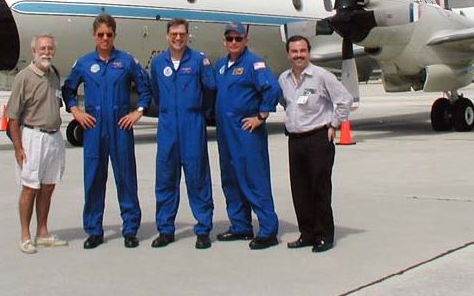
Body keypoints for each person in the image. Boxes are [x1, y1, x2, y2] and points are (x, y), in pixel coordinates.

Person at [62, 13, 152, 250]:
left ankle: (130, 229)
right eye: (100, 34)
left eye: (108, 34)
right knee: (93, 179)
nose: (104, 38)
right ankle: (94, 230)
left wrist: (138, 112)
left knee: (126, 179)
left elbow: (145, 89)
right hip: (94, 129)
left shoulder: (127, 61)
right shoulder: (83, 63)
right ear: (94, 35)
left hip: (120, 128)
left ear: (114, 35)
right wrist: (76, 112)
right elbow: (68, 89)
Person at [278, 35, 352, 253]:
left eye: (302, 51)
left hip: (318, 138)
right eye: (294, 51)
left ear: (308, 52)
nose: (298, 55)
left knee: (319, 189)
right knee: (299, 189)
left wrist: (334, 125)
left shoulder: (321, 76)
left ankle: (324, 235)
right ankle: (307, 233)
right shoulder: (283, 79)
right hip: (295, 140)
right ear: (288, 54)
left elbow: (344, 99)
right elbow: (286, 102)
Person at [149, 18, 216, 249]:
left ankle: (203, 229)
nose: (178, 38)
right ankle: (166, 229)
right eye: (174, 34)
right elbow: (156, 93)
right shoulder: (158, 63)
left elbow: (209, 89)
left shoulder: (199, 60)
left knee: (198, 177)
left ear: (188, 36)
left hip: (192, 124)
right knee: (166, 177)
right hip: (167, 125)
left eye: (182, 34)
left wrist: (198, 112)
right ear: (167, 36)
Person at [214, 22, 281, 250]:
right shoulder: (222, 66)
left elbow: (271, 89)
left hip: (247, 133)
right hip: (225, 134)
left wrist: (261, 116)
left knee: (254, 179)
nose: (234, 42)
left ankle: (268, 230)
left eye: (238, 38)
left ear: (245, 40)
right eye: (230, 39)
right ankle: (240, 226)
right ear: (224, 41)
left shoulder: (254, 63)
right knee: (230, 180)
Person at [6, 34, 67, 254]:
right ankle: (25, 235)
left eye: (50, 48)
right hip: (32, 137)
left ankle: (43, 233)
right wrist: (18, 148)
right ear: (34, 51)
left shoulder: (54, 74)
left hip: (54, 137)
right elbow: (12, 117)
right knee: (30, 187)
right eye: (42, 48)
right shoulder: (24, 77)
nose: (46, 52)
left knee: (48, 187)